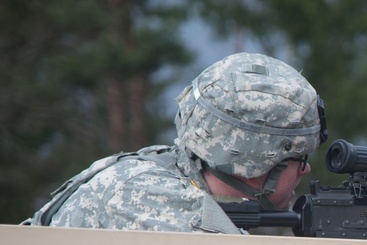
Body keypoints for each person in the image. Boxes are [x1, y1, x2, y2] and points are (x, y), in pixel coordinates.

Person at [26, 52, 326, 233]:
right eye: (298, 159)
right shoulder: (148, 201)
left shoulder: (168, 176)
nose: (306, 169)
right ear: (256, 164)